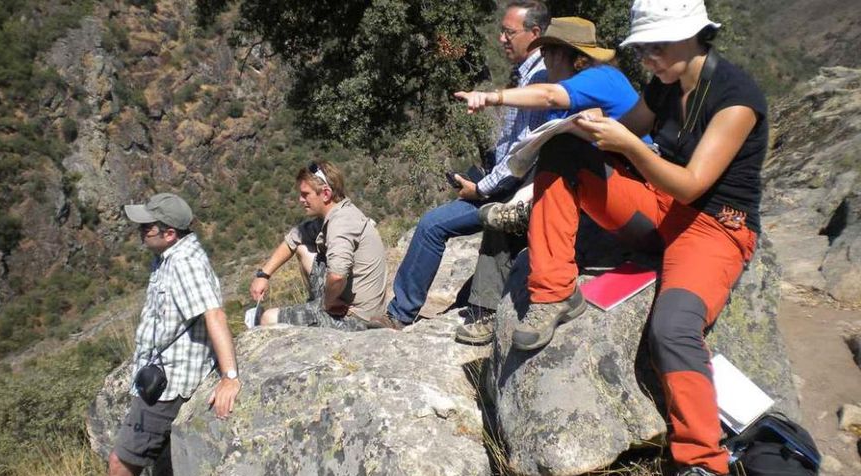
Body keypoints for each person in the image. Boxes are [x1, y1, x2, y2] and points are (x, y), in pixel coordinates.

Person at [519, 1, 769, 476]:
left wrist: (627, 146)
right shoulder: (664, 83)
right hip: (659, 209)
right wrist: (589, 129)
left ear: (695, 37)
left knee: (673, 328)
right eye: (644, 49)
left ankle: (702, 463)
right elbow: (633, 127)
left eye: (657, 47)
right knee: (563, 152)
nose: (648, 59)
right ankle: (552, 293)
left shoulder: (736, 97)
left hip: (713, 226)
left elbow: (692, 185)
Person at [451, 16, 643, 344]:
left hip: (632, 201)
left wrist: (491, 97)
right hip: (595, 202)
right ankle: (485, 311)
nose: (544, 61)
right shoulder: (566, 105)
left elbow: (551, 98)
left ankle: (533, 287)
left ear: (562, 54)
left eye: (547, 53)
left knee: (556, 158)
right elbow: (551, 168)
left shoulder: (603, 79)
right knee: (509, 216)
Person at [373, 1, 551, 330]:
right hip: (507, 185)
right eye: (501, 31)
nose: (501, 39)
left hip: (513, 192)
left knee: (431, 226)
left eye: (509, 32)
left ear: (535, 33)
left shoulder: (538, 81)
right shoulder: (529, 75)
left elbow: (522, 155)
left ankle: (399, 315)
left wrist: (480, 189)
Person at [101, 193, 241, 476]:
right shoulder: (167, 257)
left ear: (169, 233)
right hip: (161, 378)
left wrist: (230, 377)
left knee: (120, 464)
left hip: (168, 386)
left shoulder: (184, 263)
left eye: (147, 227)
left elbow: (213, 313)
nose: (140, 232)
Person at [253, 161, 387, 331]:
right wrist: (264, 275)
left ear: (325, 194)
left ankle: (319, 311)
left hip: (357, 320)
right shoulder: (337, 212)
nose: (301, 200)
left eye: (305, 194)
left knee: (267, 319)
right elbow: (295, 238)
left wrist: (327, 303)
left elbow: (338, 276)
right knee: (302, 248)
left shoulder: (341, 224)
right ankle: (317, 307)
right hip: (349, 303)